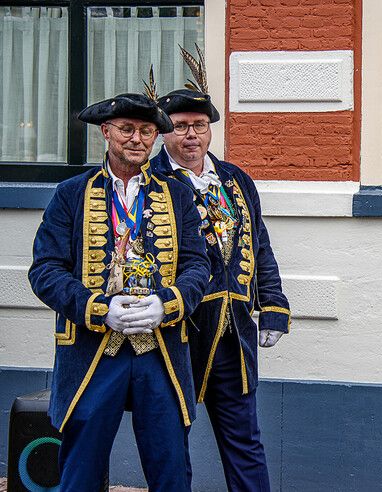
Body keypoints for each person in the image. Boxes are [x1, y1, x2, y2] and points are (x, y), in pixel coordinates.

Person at [28, 86, 210, 491]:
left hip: (159, 351)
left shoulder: (177, 194)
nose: (137, 139)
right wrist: (98, 309)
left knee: (171, 469)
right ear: (106, 133)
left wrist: (167, 305)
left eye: (146, 132)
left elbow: (199, 265)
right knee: (81, 472)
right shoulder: (71, 194)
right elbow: (45, 271)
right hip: (92, 352)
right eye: (127, 129)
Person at [151, 46, 290, 492]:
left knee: (244, 439)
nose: (190, 135)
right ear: (163, 134)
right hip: (178, 328)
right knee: (173, 437)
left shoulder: (235, 179)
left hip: (233, 333)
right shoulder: (152, 180)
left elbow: (259, 245)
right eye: (179, 127)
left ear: (209, 131)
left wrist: (273, 305)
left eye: (199, 126)